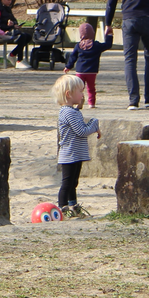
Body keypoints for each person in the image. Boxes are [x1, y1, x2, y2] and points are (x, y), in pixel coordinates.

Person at [53, 73, 101, 218]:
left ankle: (73, 206)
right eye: (80, 91)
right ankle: (62, 208)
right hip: (70, 153)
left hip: (76, 153)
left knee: (73, 182)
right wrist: (94, 123)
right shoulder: (68, 112)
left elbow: (81, 127)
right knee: (67, 183)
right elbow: (82, 131)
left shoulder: (73, 112)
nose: (82, 95)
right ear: (69, 94)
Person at [64, 23, 113, 108]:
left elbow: (73, 57)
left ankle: (79, 101)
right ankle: (91, 103)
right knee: (91, 88)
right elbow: (108, 45)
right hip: (92, 71)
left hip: (80, 71)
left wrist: (68, 66)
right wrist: (109, 35)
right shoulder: (96, 45)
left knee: (79, 88)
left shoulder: (78, 46)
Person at [0, 0, 33, 69]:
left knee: (28, 36)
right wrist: (7, 26)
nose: (10, 2)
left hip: (8, 30)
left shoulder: (7, 8)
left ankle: (12, 54)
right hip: (0, 32)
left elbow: (13, 19)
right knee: (21, 37)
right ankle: (19, 60)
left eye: (11, 0)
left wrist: (14, 24)